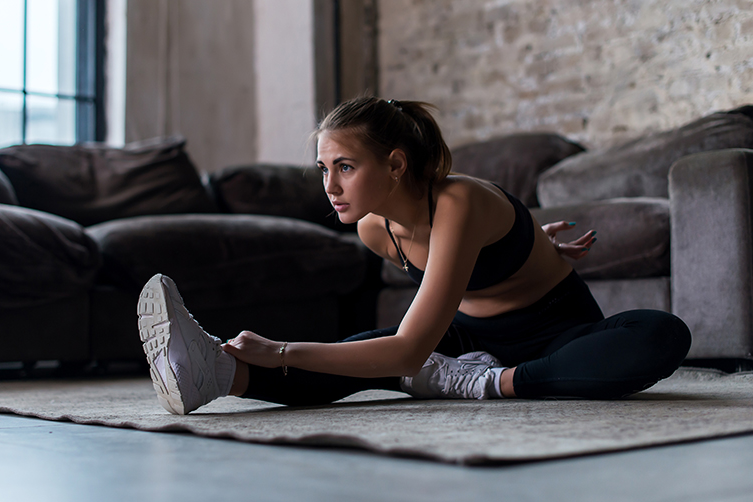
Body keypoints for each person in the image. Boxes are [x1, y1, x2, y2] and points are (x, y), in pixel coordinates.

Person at [137, 97, 692, 415]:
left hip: (554, 335)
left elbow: (407, 351)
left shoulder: (461, 200)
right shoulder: (375, 231)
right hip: (467, 340)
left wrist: (279, 346)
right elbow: (408, 341)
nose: (330, 186)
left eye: (346, 167)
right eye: (323, 169)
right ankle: (216, 371)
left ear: (397, 165)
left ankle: (485, 383)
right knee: (357, 352)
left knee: (659, 334)